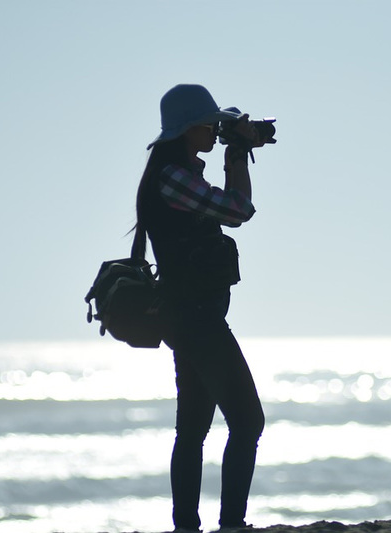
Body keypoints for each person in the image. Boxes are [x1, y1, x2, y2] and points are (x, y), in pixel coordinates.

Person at [134, 84, 265, 532]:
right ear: (187, 128)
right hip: (196, 318)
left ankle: (187, 526)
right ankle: (231, 525)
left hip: (188, 315)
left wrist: (235, 147)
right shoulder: (174, 176)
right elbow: (237, 211)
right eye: (210, 124)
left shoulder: (176, 172)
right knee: (247, 421)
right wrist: (237, 153)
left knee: (192, 431)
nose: (215, 131)